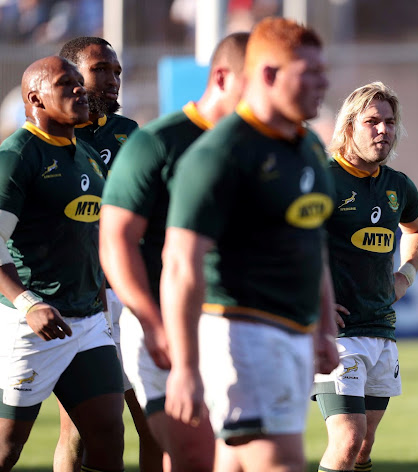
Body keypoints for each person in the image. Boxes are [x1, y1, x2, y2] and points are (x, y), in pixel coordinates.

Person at [160, 17, 339, 472]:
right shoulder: (220, 154)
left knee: (236, 462)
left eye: (323, 71)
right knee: (279, 463)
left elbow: (312, 240)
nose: (323, 83)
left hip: (292, 333)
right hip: (244, 334)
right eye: (309, 73)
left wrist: (323, 327)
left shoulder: (307, 147)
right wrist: (184, 365)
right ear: (268, 75)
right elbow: (181, 263)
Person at [99, 31, 250, 471]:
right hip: (165, 322)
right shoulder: (157, 144)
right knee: (192, 455)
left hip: (238, 326)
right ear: (223, 77)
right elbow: (116, 241)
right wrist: (151, 321)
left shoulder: (262, 145)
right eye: (257, 81)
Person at [0, 56, 124, 472]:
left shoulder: (86, 154)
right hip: (32, 324)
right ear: (36, 98)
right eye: (64, 83)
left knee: (107, 433)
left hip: (87, 321)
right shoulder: (17, 156)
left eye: (78, 81)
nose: (79, 90)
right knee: (7, 447)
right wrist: (28, 303)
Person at [311, 81, 418, 472]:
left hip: (381, 329)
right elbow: (283, 240)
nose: (384, 130)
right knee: (347, 440)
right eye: (372, 122)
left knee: (363, 446)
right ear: (348, 127)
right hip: (337, 333)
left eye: (390, 122)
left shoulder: (397, 185)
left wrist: (406, 275)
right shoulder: (322, 179)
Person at [57, 36, 156, 472]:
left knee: (154, 421)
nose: (114, 80)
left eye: (117, 71)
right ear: (72, 76)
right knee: (81, 430)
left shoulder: (128, 133)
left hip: (128, 293)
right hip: (77, 297)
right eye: (101, 70)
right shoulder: (50, 138)